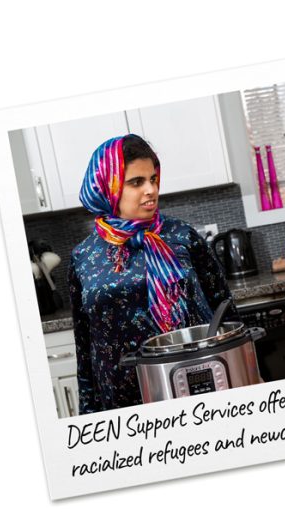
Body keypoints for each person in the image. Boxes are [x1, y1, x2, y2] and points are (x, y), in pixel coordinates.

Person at [69, 134, 232, 414]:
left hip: (196, 388)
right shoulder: (83, 256)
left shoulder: (182, 236)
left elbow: (225, 310)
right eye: (136, 182)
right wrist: (88, 412)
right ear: (108, 187)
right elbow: (85, 345)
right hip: (122, 404)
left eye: (153, 179)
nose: (151, 190)